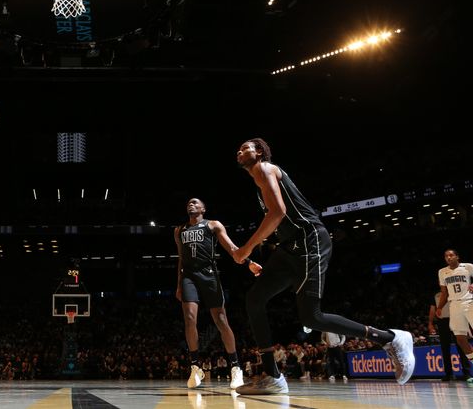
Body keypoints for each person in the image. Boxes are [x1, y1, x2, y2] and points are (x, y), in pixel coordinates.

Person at [231, 138, 414, 395]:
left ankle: (390, 338)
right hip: (290, 248)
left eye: (246, 146)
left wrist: (246, 248)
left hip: (311, 241)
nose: (240, 150)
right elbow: (279, 221)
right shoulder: (258, 181)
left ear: (259, 151)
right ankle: (273, 375)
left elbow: (278, 213)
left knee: (311, 317)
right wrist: (266, 259)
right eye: (238, 149)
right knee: (254, 299)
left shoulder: (266, 169)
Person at [174, 198, 261, 389]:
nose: (191, 204)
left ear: (203, 209)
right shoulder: (179, 230)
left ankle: (235, 366)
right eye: (188, 202)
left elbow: (232, 248)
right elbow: (181, 258)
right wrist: (179, 284)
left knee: (221, 320)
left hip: (209, 275)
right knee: (189, 318)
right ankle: (195, 366)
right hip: (189, 277)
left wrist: (249, 263)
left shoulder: (213, 225)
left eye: (196, 203)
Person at [434, 249, 473, 384]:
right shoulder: (442, 272)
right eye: (446, 256)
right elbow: (444, 292)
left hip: (469, 302)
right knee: (460, 338)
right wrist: (439, 308)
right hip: (453, 305)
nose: (448, 257)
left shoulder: (468, 267)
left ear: (457, 256)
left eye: (451, 255)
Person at [429, 289, 472, 381]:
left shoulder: (454, 292)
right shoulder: (436, 295)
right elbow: (433, 309)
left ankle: (467, 373)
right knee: (445, 348)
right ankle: (448, 374)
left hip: (455, 319)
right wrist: (430, 323)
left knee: (461, 345)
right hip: (442, 322)